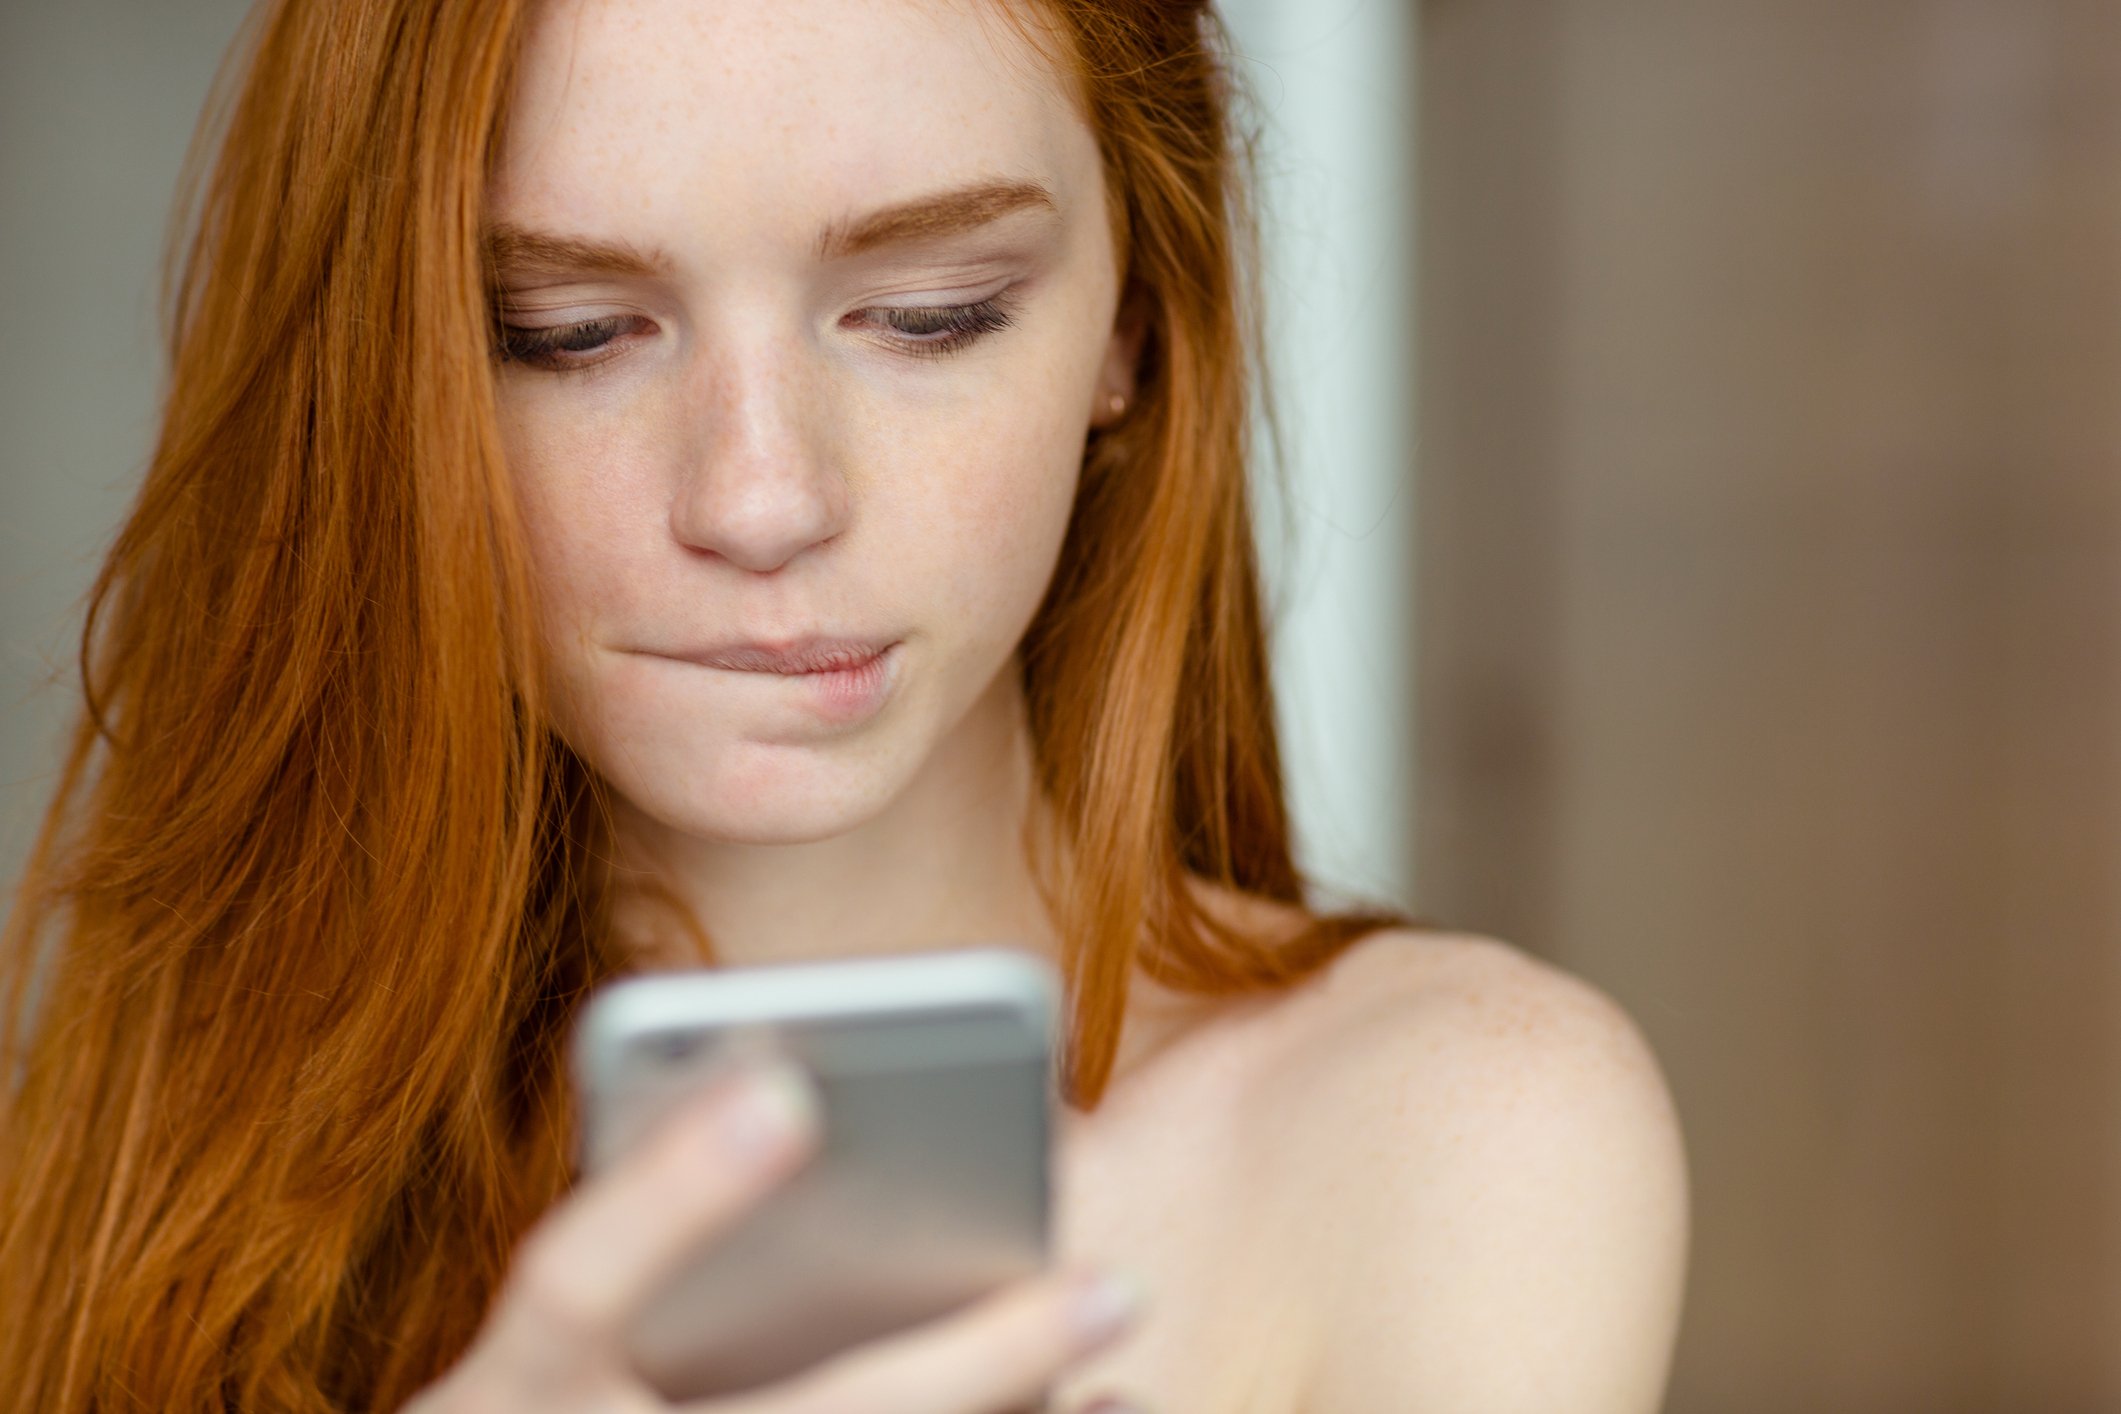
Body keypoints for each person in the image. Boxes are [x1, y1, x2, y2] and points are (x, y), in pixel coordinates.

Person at [0, 0, 1690, 1409]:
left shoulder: (1447, 1138)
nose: (758, 498)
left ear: (1131, 328)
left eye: (929, 314)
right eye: (568, 332)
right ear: (389, 378)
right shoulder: (121, 1163)